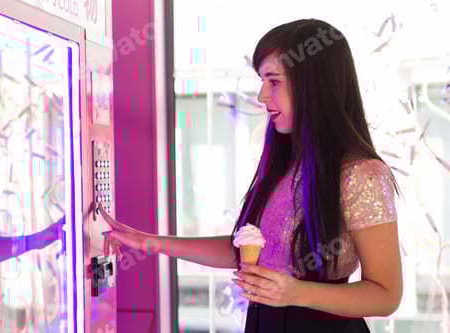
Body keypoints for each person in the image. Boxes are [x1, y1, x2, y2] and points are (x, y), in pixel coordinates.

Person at [99, 18, 403, 333]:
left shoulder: (362, 174)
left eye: (273, 81)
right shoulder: (287, 165)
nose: (261, 96)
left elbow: (386, 295)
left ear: (314, 84)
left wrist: (296, 292)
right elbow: (241, 251)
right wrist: (150, 243)